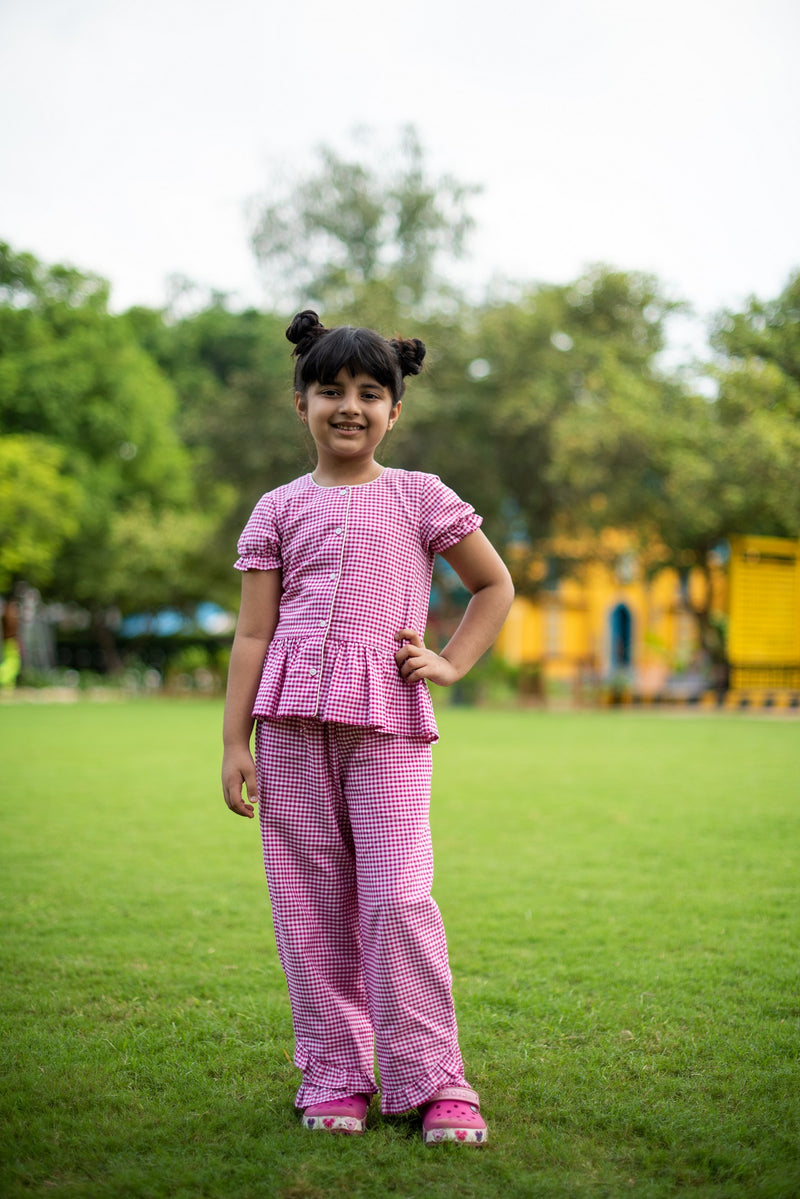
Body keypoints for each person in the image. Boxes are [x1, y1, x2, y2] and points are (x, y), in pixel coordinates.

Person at [221, 310, 514, 1143]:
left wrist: (450, 662)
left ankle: (433, 1076)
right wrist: (232, 741)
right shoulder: (276, 508)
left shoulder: (420, 495)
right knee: (307, 904)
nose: (349, 406)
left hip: (388, 723)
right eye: (330, 390)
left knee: (395, 897)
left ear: (395, 410)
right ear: (301, 403)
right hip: (289, 729)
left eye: (369, 392)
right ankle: (335, 1073)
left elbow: (494, 586)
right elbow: (252, 633)